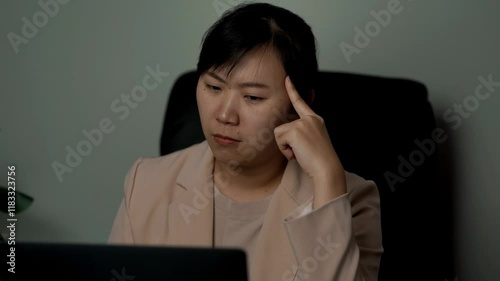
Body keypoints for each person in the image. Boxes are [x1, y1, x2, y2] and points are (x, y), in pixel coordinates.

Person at [108, 3, 383, 281]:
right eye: (213, 87)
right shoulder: (145, 185)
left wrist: (327, 177)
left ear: (300, 105)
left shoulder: (353, 199)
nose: (225, 115)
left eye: (253, 97)